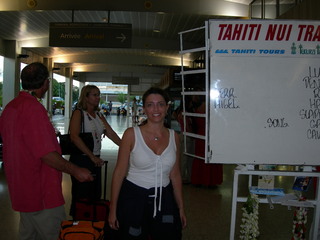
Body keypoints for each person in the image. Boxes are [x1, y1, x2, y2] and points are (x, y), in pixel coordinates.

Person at [0, 62, 94, 240]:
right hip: (41, 193)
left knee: (28, 235)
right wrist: (76, 170)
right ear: (45, 83)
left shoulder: (10, 108)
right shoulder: (34, 109)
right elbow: (45, 154)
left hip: (21, 190)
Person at [108, 87, 187, 240]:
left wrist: (181, 208)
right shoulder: (131, 134)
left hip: (164, 197)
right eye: (150, 105)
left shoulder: (174, 136)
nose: (155, 109)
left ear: (167, 107)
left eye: (160, 104)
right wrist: (113, 209)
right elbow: (119, 173)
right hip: (134, 196)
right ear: (144, 108)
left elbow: (175, 175)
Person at [69, 85, 121, 217]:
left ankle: (92, 226)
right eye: (95, 95)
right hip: (81, 159)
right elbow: (74, 136)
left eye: (99, 94)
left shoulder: (98, 115)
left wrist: (126, 146)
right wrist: (91, 156)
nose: (98, 97)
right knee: (82, 195)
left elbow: (110, 133)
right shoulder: (78, 113)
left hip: (95, 159)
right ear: (86, 97)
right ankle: (79, 226)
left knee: (95, 194)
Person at [191, 94, 223, 187]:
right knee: (211, 157)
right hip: (211, 134)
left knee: (200, 157)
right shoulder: (212, 108)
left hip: (200, 134)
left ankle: (198, 180)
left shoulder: (197, 108)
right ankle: (210, 181)